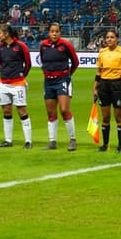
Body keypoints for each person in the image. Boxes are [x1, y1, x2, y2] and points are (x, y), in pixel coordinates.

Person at [38, 21, 79, 151]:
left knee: (64, 110)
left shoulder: (66, 45)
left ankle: (73, 140)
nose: (54, 34)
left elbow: (75, 62)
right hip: (48, 81)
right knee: (50, 112)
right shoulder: (43, 45)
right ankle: (52, 141)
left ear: (60, 33)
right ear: (48, 33)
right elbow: (43, 61)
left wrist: (67, 75)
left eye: (57, 31)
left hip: (62, 80)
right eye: (52, 31)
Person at [95, 28, 121, 153]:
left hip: (117, 84)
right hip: (103, 85)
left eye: (112, 37)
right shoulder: (102, 52)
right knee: (105, 117)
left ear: (117, 39)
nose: (109, 39)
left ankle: (120, 145)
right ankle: (105, 145)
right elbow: (99, 72)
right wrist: (95, 87)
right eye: (107, 37)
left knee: (118, 117)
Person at [0, 22, 33, 148]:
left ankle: (28, 141)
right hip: (4, 84)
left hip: (18, 84)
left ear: (6, 34)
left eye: (0, 33)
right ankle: (8, 140)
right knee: (6, 111)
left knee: (22, 111)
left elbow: (28, 64)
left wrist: (21, 76)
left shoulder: (21, 46)